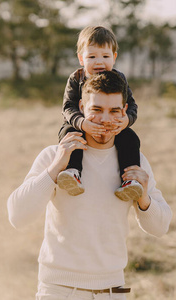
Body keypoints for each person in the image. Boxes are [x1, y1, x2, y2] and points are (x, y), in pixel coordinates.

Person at [7, 71, 172, 300]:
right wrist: (55, 169)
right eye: (96, 110)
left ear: (125, 111)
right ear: (82, 107)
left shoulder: (135, 162)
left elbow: (161, 227)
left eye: (114, 111)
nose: (105, 120)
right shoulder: (54, 156)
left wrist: (144, 199)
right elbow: (17, 215)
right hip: (58, 290)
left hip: (112, 290)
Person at [58, 25, 142, 201]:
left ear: (114, 58)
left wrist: (125, 121)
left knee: (130, 138)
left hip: (113, 126)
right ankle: (72, 172)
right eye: (92, 56)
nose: (99, 62)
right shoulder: (76, 78)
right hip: (81, 123)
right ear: (81, 58)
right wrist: (82, 123)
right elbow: (67, 107)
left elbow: (132, 105)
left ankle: (130, 181)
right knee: (69, 134)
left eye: (105, 56)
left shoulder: (119, 79)